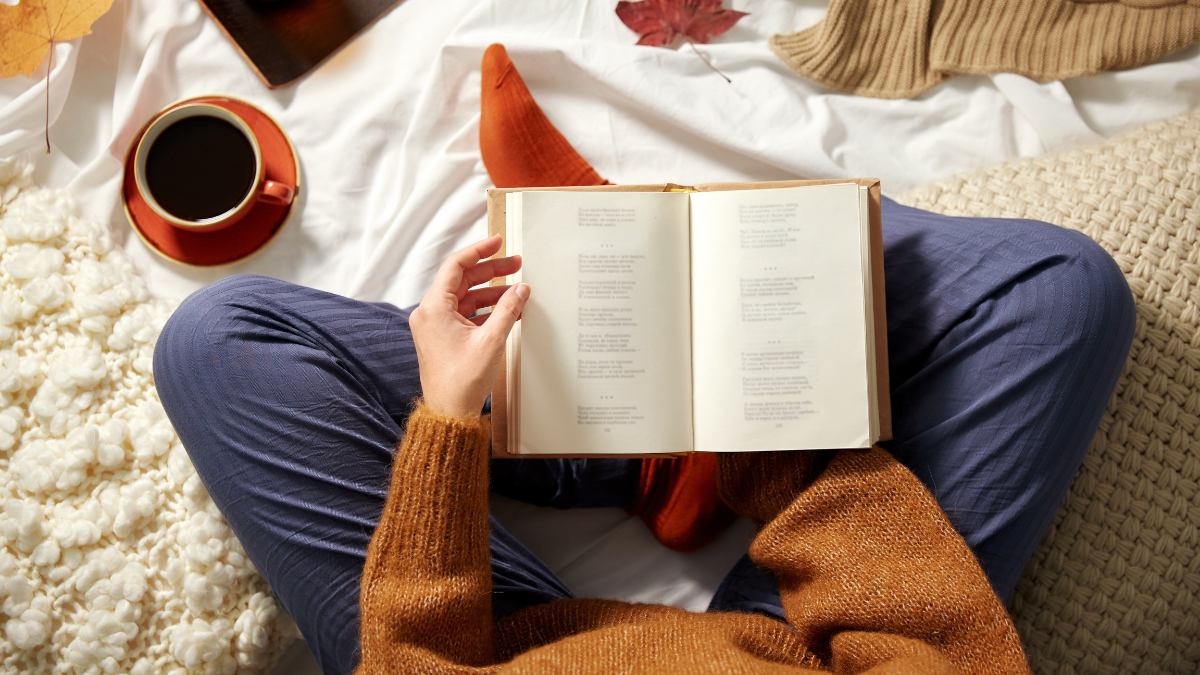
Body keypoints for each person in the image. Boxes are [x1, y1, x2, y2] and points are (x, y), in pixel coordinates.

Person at [155, 194, 1134, 673]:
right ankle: (692, 430)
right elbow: (926, 645)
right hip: (783, 647)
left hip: (499, 652)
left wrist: (448, 425)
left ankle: (635, 427)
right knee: (1055, 290)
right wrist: (787, 454)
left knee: (219, 338)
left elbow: (411, 659)